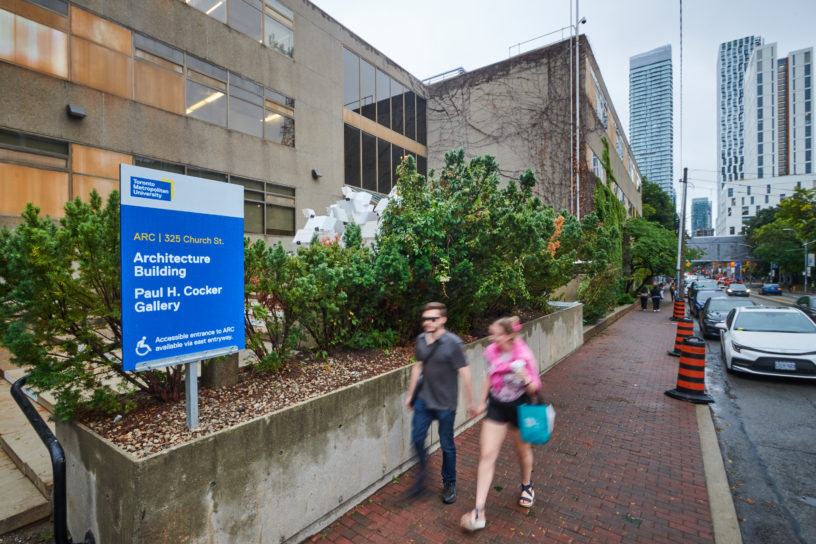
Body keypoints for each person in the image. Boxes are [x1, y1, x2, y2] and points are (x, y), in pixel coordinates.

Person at [460, 316, 542, 532]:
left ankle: (527, 486)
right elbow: (488, 377)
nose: (491, 337)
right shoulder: (491, 352)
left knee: (522, 450)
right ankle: (479, 510)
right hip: (497, 405)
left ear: (507, 335)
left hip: (520, 406)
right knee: (487, 454)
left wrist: (524, 378)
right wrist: (480, 403)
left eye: (495, 333)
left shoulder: (524, 355)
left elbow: (535, 388)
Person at [404, 302, 475, 504]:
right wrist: (410, 395)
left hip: (445, 405)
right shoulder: (420, 340)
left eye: (433, 318)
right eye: (425, 318)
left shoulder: (453, 343)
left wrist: (470, 401)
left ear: (443, 320)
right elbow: (418, 367)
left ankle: (450, 483)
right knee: (417, 439)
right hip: (424, 401)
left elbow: (466, 373)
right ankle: (423, 476)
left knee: (447, 445)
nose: (428, 322)